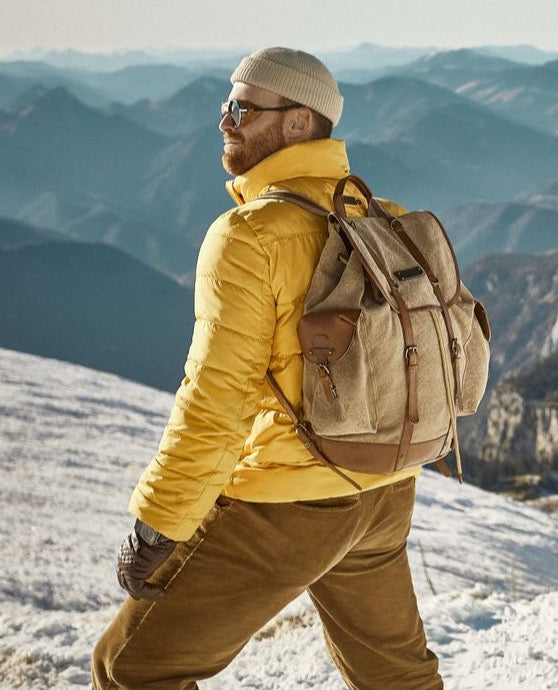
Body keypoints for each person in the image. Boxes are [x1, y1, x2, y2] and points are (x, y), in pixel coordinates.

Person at [92, 47, 443, 690]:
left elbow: (215, 401)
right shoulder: (381, 214)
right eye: (225, 105)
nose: (224, 120)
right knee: (396, 677)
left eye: (243, 109)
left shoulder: (250, 235)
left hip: (289, 504)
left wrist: (160, 523)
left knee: (130, 668)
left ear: (299, 123)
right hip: (383, 490)